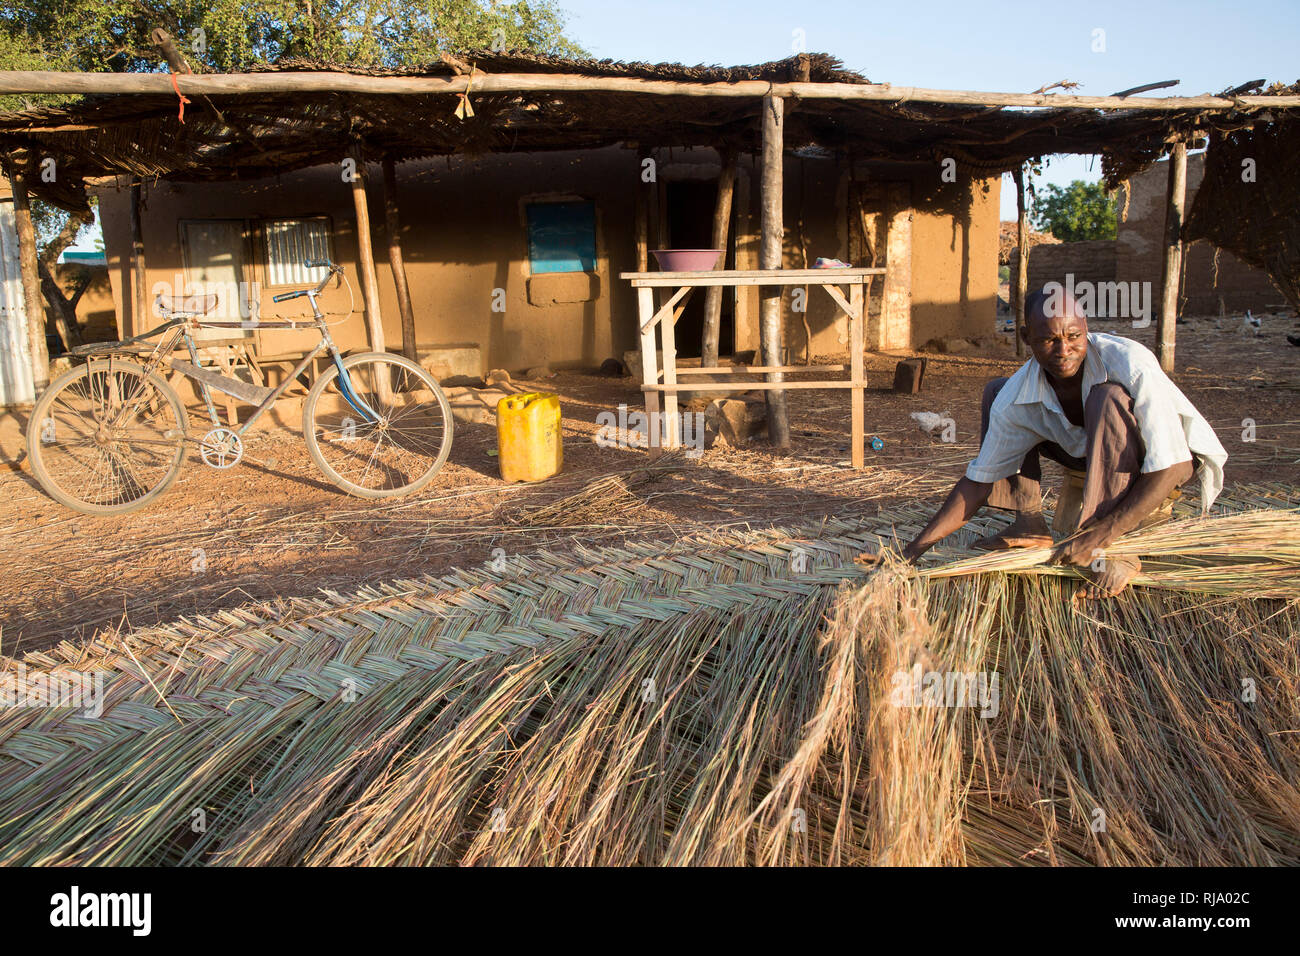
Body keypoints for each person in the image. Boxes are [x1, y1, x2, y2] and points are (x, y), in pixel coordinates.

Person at [898, 290, 1227, 599]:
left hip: (1159, 461)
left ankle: (1118, 547)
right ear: (1027, 338)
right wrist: (911, 552)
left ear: (1086, 329)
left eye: (1073, 337)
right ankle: (1028, 524)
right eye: (1048, 339)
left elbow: (1175, 465)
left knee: (1107, 396)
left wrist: (1104, 534)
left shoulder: (1130, 364)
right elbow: (978, 482)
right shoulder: (1020, 391)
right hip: (1088, 452)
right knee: (999, 391)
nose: (1064, 350)